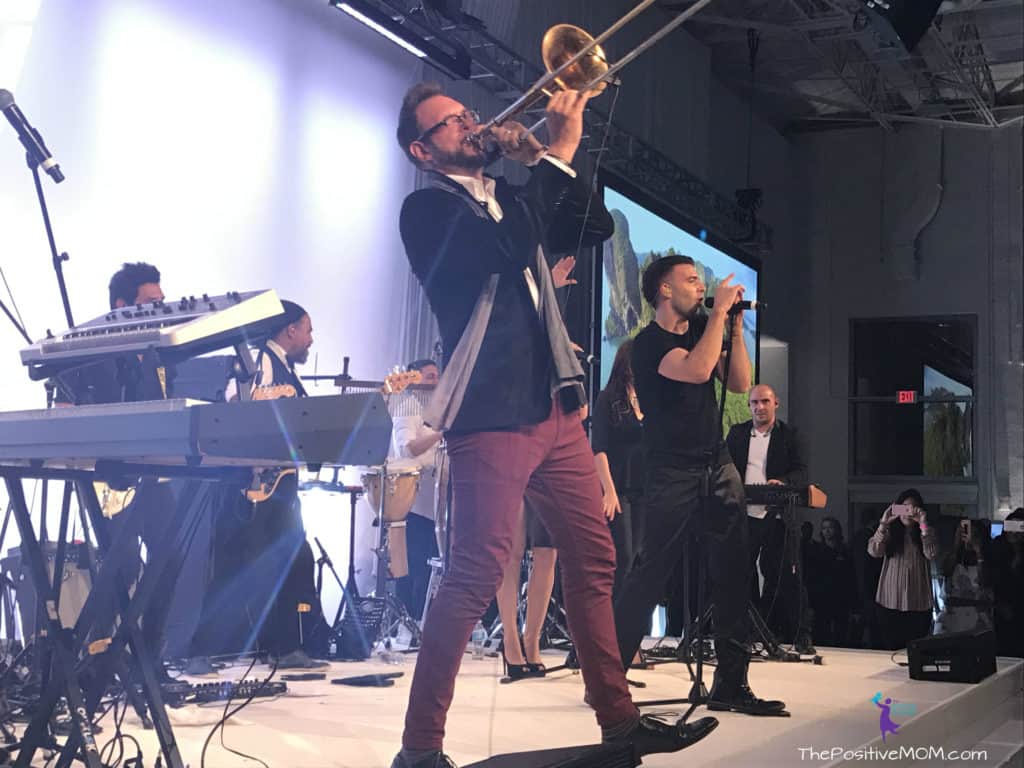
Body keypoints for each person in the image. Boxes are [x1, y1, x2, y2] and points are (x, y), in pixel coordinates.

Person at [392, 83, 717, 767]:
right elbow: (506, 252)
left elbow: (592, 226)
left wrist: (546, 154)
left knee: (594, 556)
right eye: (449, 123)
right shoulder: (424, 210)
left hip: (554, 405)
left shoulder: (510, 193)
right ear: (423, 149)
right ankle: (419, 750)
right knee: (473, 573)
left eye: (465, 112)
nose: (468, 122)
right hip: (490, 413)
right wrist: (556, 157)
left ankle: (619, 720)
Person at [613, 254, 786, 717]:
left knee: (733, 574)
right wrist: (718, 319)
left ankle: (731, 684)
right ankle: (607, 684)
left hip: (716, 462)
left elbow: (739, 382)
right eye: (690, 280)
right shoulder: (647, 344)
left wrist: (731, 326)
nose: (700, 285)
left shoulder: (702, 332)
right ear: (664, 291)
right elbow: (694, 369)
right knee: (651, 571)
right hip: (671, 470)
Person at [239, 301, 327, 669]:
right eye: (307, 329)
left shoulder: (283, 366)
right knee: (292, 559)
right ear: (289, 330)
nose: (310, 338)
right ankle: (284, 646)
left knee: (294, 560)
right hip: (268, 484)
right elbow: (249, 403)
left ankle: (286, 645)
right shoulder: (263, 361)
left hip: (283, 482)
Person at [725, 383, 813, 652]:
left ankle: (802, 635)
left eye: (764, 402)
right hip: (743, 514)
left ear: (776, 404)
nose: (759, 407)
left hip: (777, 516)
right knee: (739, 574)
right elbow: (723, 465)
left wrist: (783, 483)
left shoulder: (789, 435)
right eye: (754, 403)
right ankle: (743, 634)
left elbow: (801, 471)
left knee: (786, 575)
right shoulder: (738, 434)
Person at [390, 358, 443, 620]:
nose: (435, 381)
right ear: (414, 380)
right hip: (414, 501)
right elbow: (406, 449)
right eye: (429, 376)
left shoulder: (436, 409)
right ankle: (410, 623)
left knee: (434, 563)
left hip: (437, 501)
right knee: (418, 565)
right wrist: (440, 434)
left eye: (437, 376)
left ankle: (429, 622)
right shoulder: (407, 407)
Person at [867, 489, 938, 650]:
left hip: (918, 603)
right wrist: (884, 523)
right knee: (891, 649)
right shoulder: (890, 532)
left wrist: (923, 524)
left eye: (913, 508)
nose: (908, 512)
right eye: (904, 507)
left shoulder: (926, 532)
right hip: (889, 601)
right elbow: (874, 551)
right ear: (897, 509)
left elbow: (931, 553)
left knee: (916, 651)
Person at [810, 517, 858, 647]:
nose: (827, 531)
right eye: (824, 528)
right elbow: (812, 577)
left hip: (841, 598)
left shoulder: (845, 551)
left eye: (830, 528)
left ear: (836, 530)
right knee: (821, 633)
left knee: (840, 633)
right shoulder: (817, 551)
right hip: (822, 598)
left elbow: (851, 577)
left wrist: (854, 605)